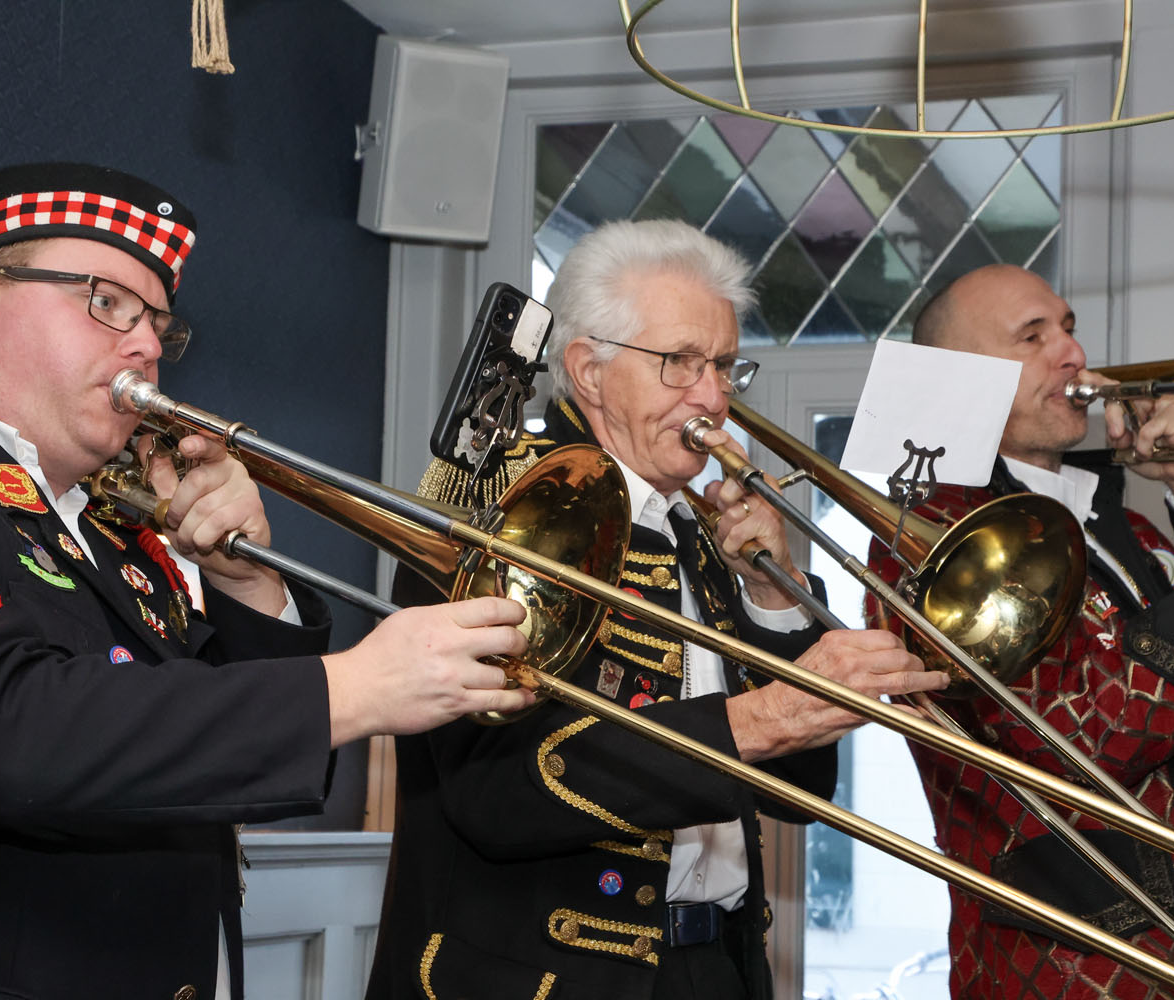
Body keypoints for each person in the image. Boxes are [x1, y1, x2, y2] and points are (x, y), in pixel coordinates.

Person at [0, 162, 535, 1000]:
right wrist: (352, 687)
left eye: (156, 325)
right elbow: (3, 733)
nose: (145, 346)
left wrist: (245, 583)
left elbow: (214, 753)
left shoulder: (116, 531)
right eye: (107, 303)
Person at [365, 219, 947, 1000]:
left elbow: (804, 784)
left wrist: (774, 594)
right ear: (589, 371)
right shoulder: (498, 510)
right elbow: (496, 792)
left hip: (714, 966)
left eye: (724, 366)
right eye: (680, 362)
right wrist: (760, 718)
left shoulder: (698, 531)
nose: (713, 396)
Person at [864, 263, 1174, 999]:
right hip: (1087, 968)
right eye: (1032, 337)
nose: (1074, 354)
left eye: (1069, 328)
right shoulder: (929, 542)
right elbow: (1086, 733)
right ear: (959, 377)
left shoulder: (1123, 526)